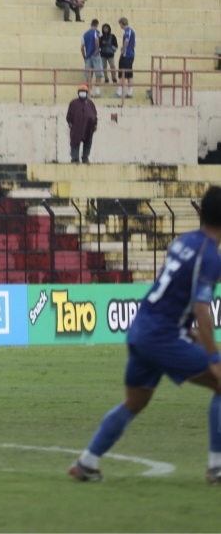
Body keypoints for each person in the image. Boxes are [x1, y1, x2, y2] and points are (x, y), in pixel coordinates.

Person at [68, 186, 221, 484]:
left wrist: (186, 331)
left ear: (201, 212)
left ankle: (87, 462)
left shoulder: (183, 242)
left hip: (141, 329)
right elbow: (202, 308)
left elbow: (172, 294)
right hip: (162, 337)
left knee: (134, 402)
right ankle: (217, 467)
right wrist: (213, 357)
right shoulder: (211, 257)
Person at [66, 84, 98, 164]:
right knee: (75, 142)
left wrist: (95, 124)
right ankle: (75, 159)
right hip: (76, 126)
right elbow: (69, 115)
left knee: (88, 143)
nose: (82, 93)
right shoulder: (73, 103)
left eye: (84, 91)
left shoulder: (90, 103)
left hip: (88, 127)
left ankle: (85, 158)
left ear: (86, 93)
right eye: (81, 91)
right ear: (78, 92)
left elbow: (94, 114)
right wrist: (70, 123)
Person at [81, 19, 103, 98]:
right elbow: (96, 39)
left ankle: (89, 92)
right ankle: (97, 92)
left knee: (89, 74)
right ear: (97, 25)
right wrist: (97, 49)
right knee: (98, 73)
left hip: (88, 55)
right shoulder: (96, 32)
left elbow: (82, 47)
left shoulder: (85, 34)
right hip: (95, 55)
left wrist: (84, 56)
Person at [118, 17, 136, 102]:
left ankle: (119, 92)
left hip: (126, 55)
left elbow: (126, 41)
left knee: (122, 72)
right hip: (131, 55)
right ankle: (130, 92)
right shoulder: (132, 31)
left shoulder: (127, 31)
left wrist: (123, 49)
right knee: (129, 74)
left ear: (121, 24)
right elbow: (134, 44)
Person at [99, 22, 119, 87]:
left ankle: (114, 78)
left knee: (112, 66)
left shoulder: (112, 36)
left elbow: (116, 45)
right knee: (104, 66)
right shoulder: (101, 37)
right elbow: (99, 46)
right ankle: (106, 79)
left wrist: (111, 49)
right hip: (103, 54)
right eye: (104, 28)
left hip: (110, 54)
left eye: (106, 28)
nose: (105, 29)